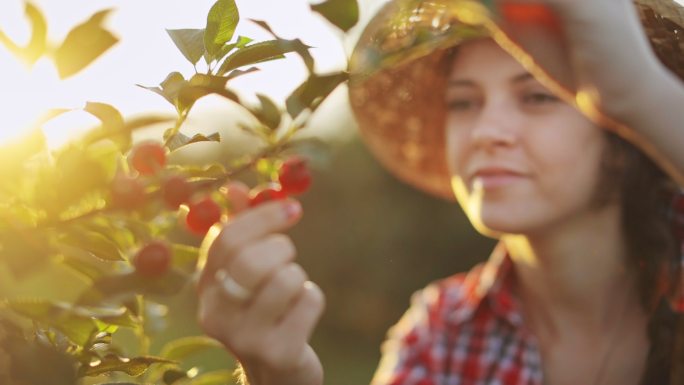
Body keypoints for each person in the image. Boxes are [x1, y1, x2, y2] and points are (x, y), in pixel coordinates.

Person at [194, 0, 684, 384]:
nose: (487, 130)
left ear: (624, 132)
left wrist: (640, 93)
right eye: (464, 102)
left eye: (536, 96)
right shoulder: (443, 333)